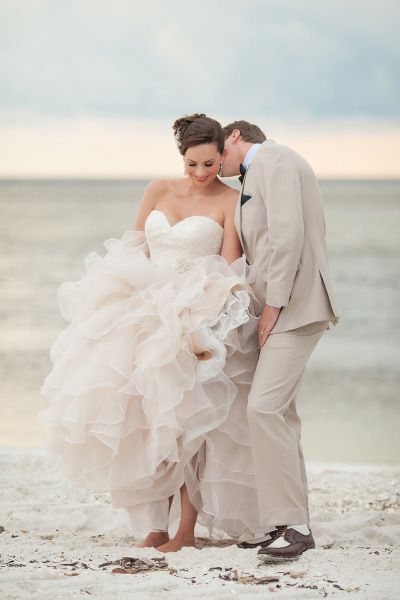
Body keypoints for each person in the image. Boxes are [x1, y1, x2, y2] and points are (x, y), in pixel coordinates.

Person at [40, 114, 262, 553]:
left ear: (222, 157)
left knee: (190, 427)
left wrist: (210, 325)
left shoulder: (231, 200)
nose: (200, 175)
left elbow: (231, 267)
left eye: (209, 165)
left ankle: (187, 530)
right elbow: (134, 247)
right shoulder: (157, 189)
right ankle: (156, 526)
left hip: (197, 314)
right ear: (181, 159)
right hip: (144, 310)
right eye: (192, 165)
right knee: (148, 421)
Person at [221, 121, 340, 560]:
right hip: (281, 306)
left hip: (296, 304)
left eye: (220, 155)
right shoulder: (254, 173)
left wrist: (273, 304)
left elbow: (288, 236)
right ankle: (286, 522)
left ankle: (295, 527)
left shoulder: (274, 158)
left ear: (235, 137)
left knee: (264, 408)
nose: (217, 168)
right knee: (281, 416)